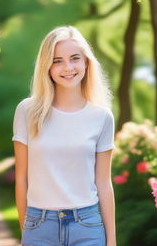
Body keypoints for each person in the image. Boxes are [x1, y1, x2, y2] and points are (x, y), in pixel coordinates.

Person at [12, 25, 116, 246]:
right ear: (46, 67)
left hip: (87, 226)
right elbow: (21, 177)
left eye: (75, 58)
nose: (67, 67)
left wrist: (112, 241)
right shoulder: (27, 111)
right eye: (57, 60)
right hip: (39, 225)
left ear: (86, 62)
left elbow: (104, 183)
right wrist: (27, 230)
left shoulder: (102, 117)